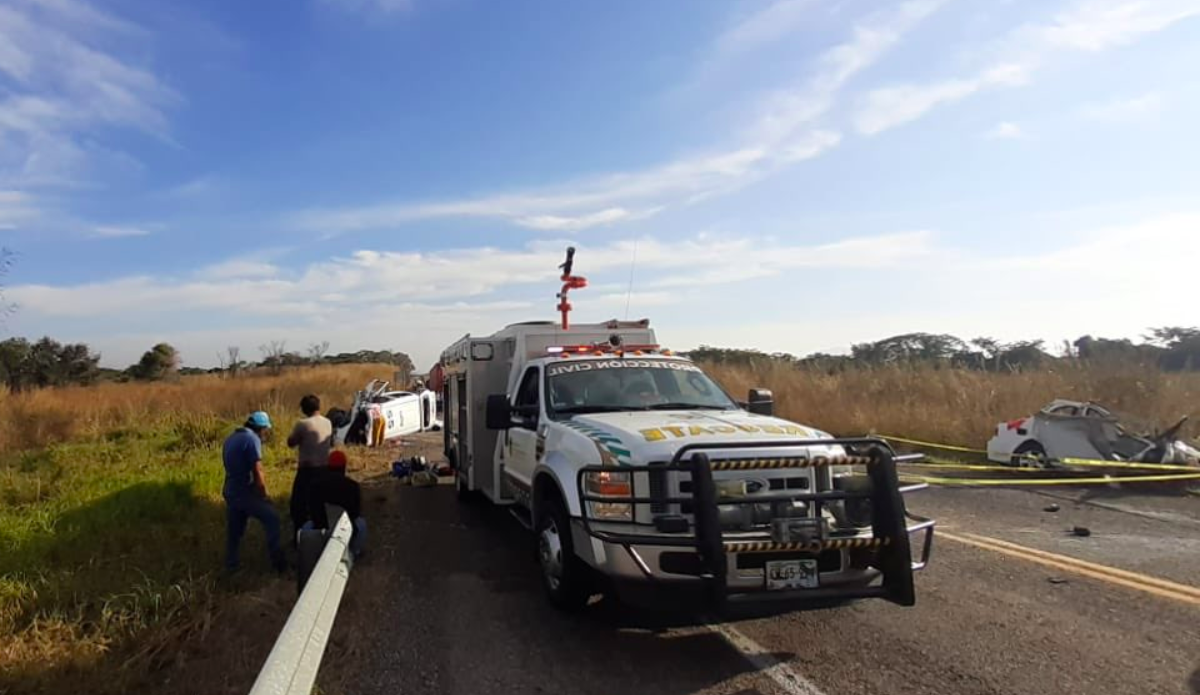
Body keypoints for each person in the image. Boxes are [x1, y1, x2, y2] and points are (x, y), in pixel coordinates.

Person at [222, 411, 286, 573]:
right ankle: (278, 563)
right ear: (261, 428)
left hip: (230, 490)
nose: (266, 434)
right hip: (245, 492)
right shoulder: (252, 439)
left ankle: (231, 565)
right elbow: (257, 470)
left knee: (234, 530)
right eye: (266, 430)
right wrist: (263, 494)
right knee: (272, 519)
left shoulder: (231, 438)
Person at [287, 394, 333, 539]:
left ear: (304, 409)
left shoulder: (303, 424)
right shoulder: (328, 422)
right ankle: (322, 533)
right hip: (325, 468)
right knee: (320, 503)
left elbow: (291, 442)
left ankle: (300, 537)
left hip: (308, 470)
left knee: (298, 506)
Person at [304, 450, 367, 557]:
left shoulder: (315, 485)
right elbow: (356, 512)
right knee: (361, 523)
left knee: (306, 526)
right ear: (344, 467)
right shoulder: (352, 486)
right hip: (346, 528)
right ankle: (354, 552)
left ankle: (313, 553)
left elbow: (311, 510)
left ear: (328, 467)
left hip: (320, 528)